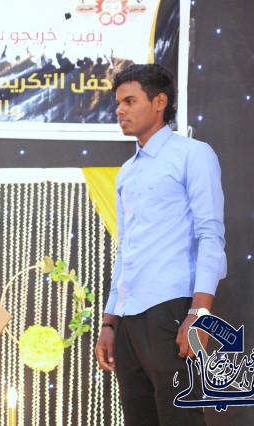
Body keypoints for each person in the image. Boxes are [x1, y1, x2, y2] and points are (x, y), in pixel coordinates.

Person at [94, 64, 226, 426]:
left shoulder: (193, 154)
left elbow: (211, 235)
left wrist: (200, 315)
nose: (119, 110)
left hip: (173, 309)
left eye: (129, 101)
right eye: (118, 103)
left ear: (159, 102)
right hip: (129, 318)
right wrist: (109, 323)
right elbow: (127, 250)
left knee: (181, 419)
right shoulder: (127, 172)